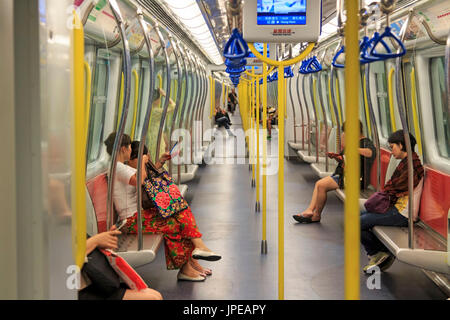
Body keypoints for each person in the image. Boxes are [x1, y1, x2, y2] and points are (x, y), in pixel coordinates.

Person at [104, 132, 221, 282]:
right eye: (128, 147)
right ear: (123, 149)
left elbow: (143, 177)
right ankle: (190, 261)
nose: (129, 150)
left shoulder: (119, 166)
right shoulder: (117, 167)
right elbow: (140, 180)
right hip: (131, 220)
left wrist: (159, 161)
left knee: (178, 209)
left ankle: (193, 259)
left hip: (139, 215)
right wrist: (141, 161)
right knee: (173, 222)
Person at [361, 130, 423, 273]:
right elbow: (392, 187)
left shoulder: (411, 167)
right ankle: (380, 253)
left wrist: (383, 193)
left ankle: (379, 252)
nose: (391, 151)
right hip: (396, 208)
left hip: (403, 213)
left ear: (401, 145)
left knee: (357, 222)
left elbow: (394, 187)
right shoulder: (406, 163)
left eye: (392, 147)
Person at [293, 120, 376, 223]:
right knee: (319, 184)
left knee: (322, 186)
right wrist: (336, 157)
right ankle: (310, 210)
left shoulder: (366, 142)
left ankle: (316, 215)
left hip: (356, 179)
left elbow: (370, 153)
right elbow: (344, 158)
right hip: (345, 175)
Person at [78, 226, 163, 300]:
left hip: (90, 281)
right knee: (152, 298)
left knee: (155, 295)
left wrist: (104, 241)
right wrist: (95, 241)